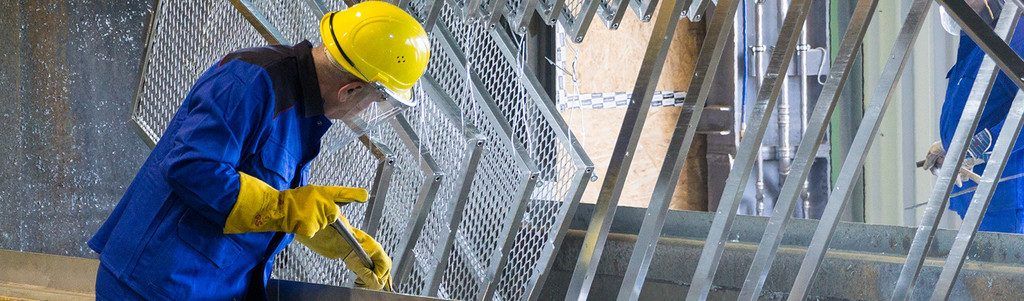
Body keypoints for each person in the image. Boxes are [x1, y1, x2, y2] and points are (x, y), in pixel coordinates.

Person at [87, 2, 431, 299]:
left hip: (212, 285)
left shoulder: (302, 112)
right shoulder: (251, 81)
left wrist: (340, 238)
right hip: (156, 285)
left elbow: (270, 195)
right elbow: (192, 168)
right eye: (374, 100)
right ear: (350, 89)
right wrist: (285, 208)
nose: (364, 111)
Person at [925, 0, 1024, 234]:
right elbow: (988, 104)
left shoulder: (1015, 35)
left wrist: (981, 144)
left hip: (1010, 205)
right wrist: (950, 145)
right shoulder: (974, 39)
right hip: (981, 203)